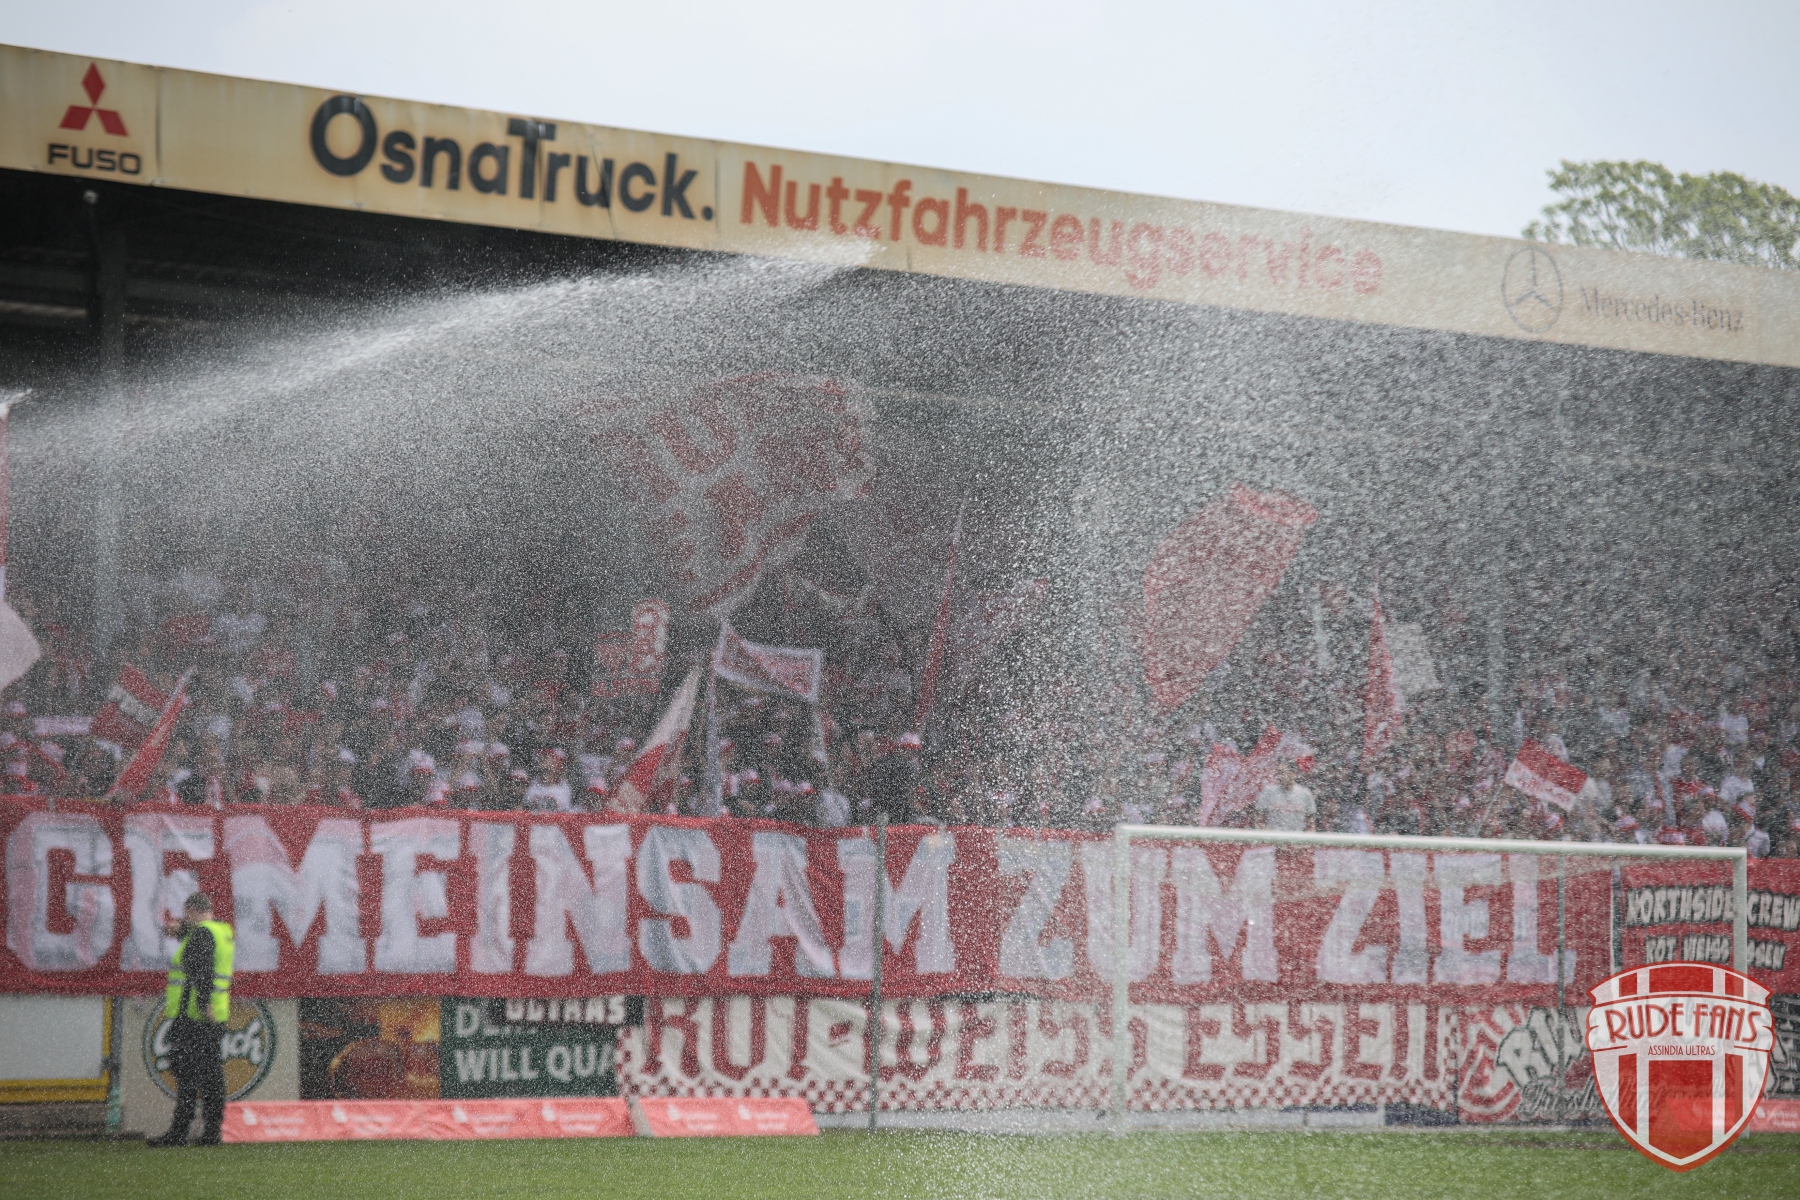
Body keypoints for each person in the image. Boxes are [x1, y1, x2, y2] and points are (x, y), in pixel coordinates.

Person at [147, 893, 235, 1147]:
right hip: (215, 1014)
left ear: (193, 910)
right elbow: (204, 951)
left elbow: (201, 969)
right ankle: (212, 1132)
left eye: (186, 914)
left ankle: (179, 1132)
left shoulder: (202, 934)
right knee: (211, 1075)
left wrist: (203, 1003)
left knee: (186, 1074)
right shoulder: (222, 931)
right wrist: (182, 930)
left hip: (194, 1016)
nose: (183, 919)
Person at [1254, 759, 1317, 832]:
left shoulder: (1304, 793)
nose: (1279, 776)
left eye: (1282, 773)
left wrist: (1304, 838)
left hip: (1296, 837)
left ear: (1293, 773)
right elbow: (1259, 821)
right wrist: (1272, 834)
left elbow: (1311, 824)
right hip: (1273, 837)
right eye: (1278, 773)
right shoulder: (1268, 792)